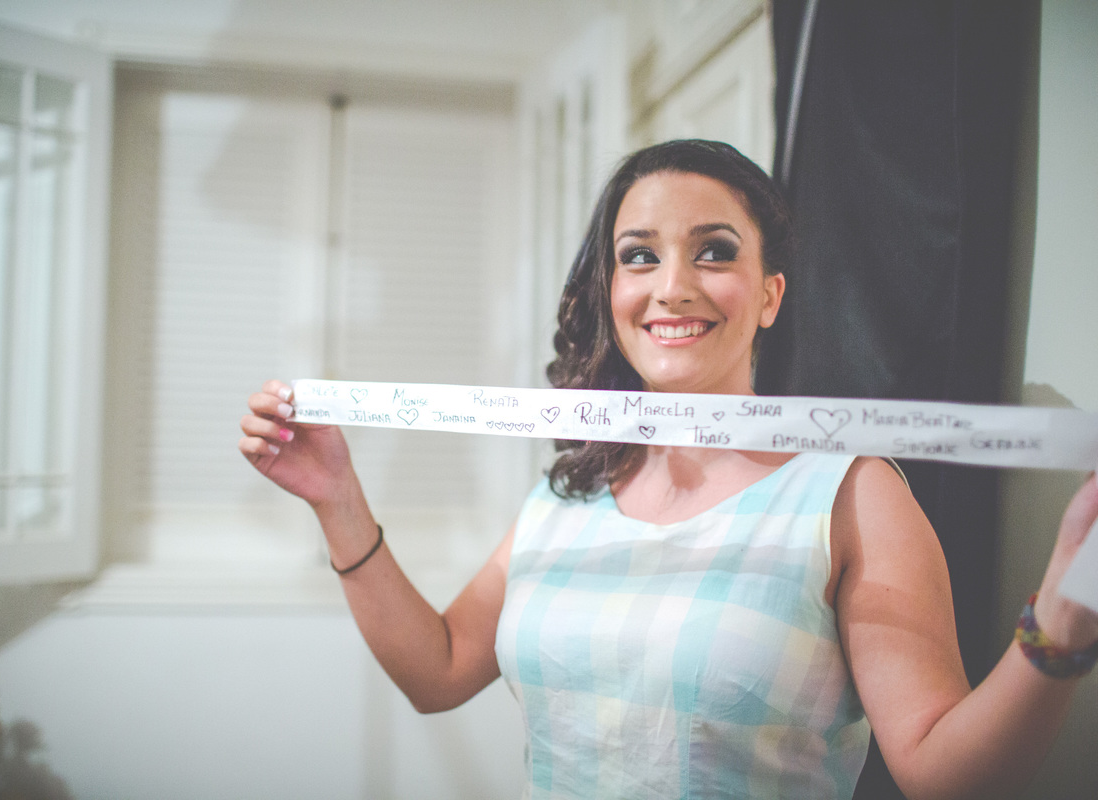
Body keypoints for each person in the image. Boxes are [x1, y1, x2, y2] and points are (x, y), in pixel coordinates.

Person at [239, 139, 1098, 799]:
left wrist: (1061, 623)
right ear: (611, 293)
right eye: (639, 255)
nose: (672, 285)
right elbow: (439, 671)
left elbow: (942, 774)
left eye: (714, 251)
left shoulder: (849, 495)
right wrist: (335, 498)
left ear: (770, 294)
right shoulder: (564, 496)